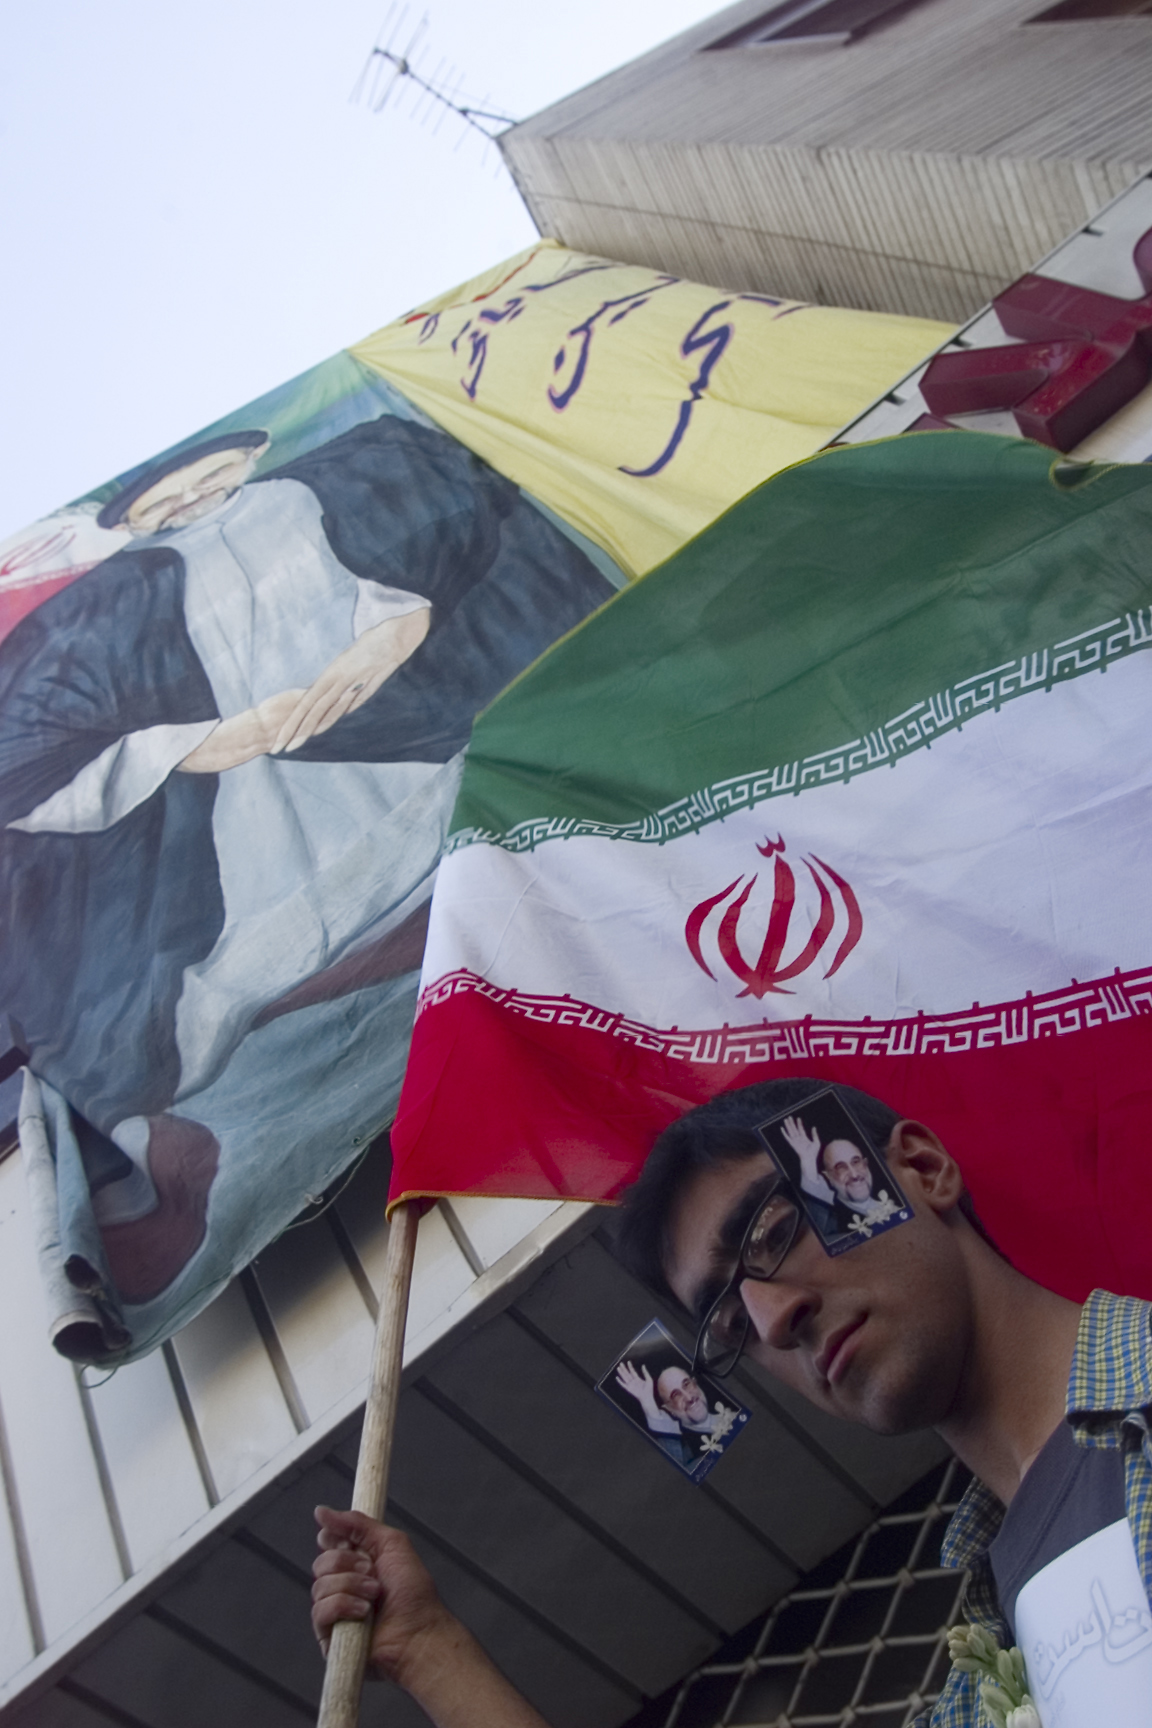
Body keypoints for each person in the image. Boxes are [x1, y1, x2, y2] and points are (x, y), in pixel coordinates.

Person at [311, 1077, 1152, 1727]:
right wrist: (430, 1651)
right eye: (725, 1314)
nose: (772, 1317)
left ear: (922, 1170)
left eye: (774, 1230)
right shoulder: (989, 1652)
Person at [0, 415, 613, 1302]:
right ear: (133, 525)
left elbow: (468, 507)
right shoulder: (112, 603)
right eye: (166, 506)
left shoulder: (357, 473)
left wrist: (392, 627)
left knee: (469, 835)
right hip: (255, 806)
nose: (195, 507)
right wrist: (196, 742)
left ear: (248, 456)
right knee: (256, 968)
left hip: (412, 739)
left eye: (208, 483)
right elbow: (25, 745)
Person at [613, 1356, 729, 1468]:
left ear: (695, 1382)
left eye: (686, 1384)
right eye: (676, 1395)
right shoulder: (685, 1448)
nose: (689, 1398)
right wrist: (649, 1404)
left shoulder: (729, 1409)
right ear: (670, 1409)